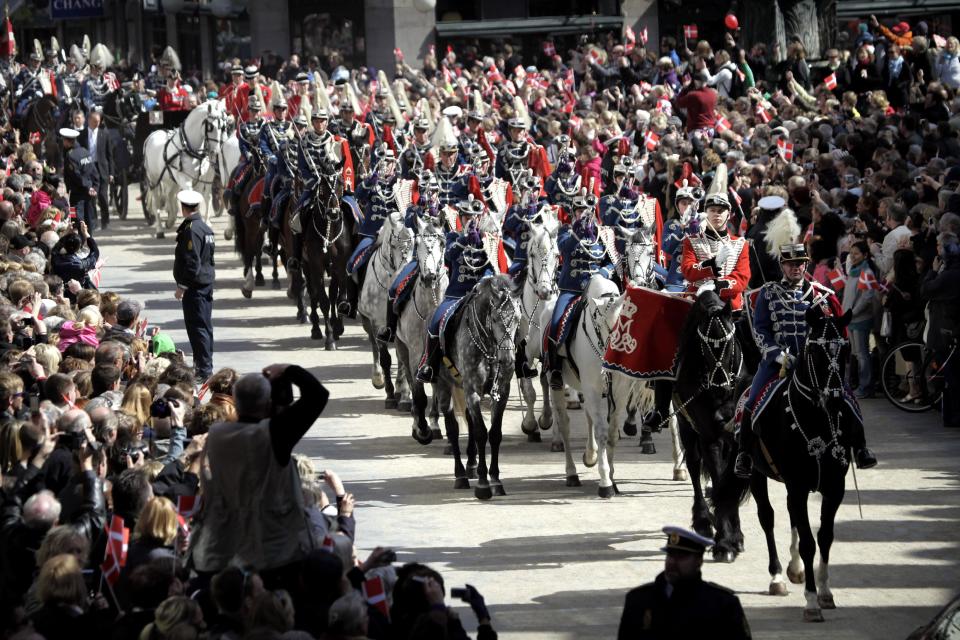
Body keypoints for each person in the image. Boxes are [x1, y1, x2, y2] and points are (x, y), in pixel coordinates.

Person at [735, 243, 877, 478]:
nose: (795, 268)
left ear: (806, 264)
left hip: (816, 365)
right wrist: (777, 355)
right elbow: (760, 331)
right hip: (778, 365)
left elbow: (835, 331)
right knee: (752, 401)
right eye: (790, 264)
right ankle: (744, 454)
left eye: (800, 263)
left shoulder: (822, 294)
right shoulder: (767, 294)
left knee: (846, 395)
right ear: (782, 265)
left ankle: (861, 448)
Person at [188, 365, 329, 578]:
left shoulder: (217, 434)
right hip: (274, 549)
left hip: (229, 545)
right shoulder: (273, 434)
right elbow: (317, 396)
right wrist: (289, 371)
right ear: (267, 404)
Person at [617, 526, 751, 639]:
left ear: (699, 561)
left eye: (681, 556)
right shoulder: (638, 600)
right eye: (670, 554)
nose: (673, 561)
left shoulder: (722, 604)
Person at [173, 189, 216, 383]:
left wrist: (182, 286)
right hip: (205, 283)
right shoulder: (205, 228)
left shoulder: (191, 229)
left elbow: (192, 262)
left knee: (197, 327)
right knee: (205, 326)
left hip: (195, 286)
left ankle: (204, 369)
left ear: (183, 208)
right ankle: (204, 365)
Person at [78, 108, 114, 231]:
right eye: (94, 121)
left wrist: (111, 173)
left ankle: (106, 220)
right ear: (89, 121)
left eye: (99, 121)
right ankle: (93, 222)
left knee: (103, 196)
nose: (97, 123)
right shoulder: (81, 135)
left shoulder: (105, 134)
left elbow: (110, 155)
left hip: (102, 168)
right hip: (88, 168)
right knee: (91, 197)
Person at [61, 127, 99, 232]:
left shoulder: (70, 156)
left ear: (67, 141)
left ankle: (80, 244)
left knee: (75, 219)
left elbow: (77, 176)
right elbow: (94, 172)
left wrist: (87, 187)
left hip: (76, 196)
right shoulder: (85, 151)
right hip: (89, 195)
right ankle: (89, 240)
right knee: (89, 219)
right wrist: (94, 187)